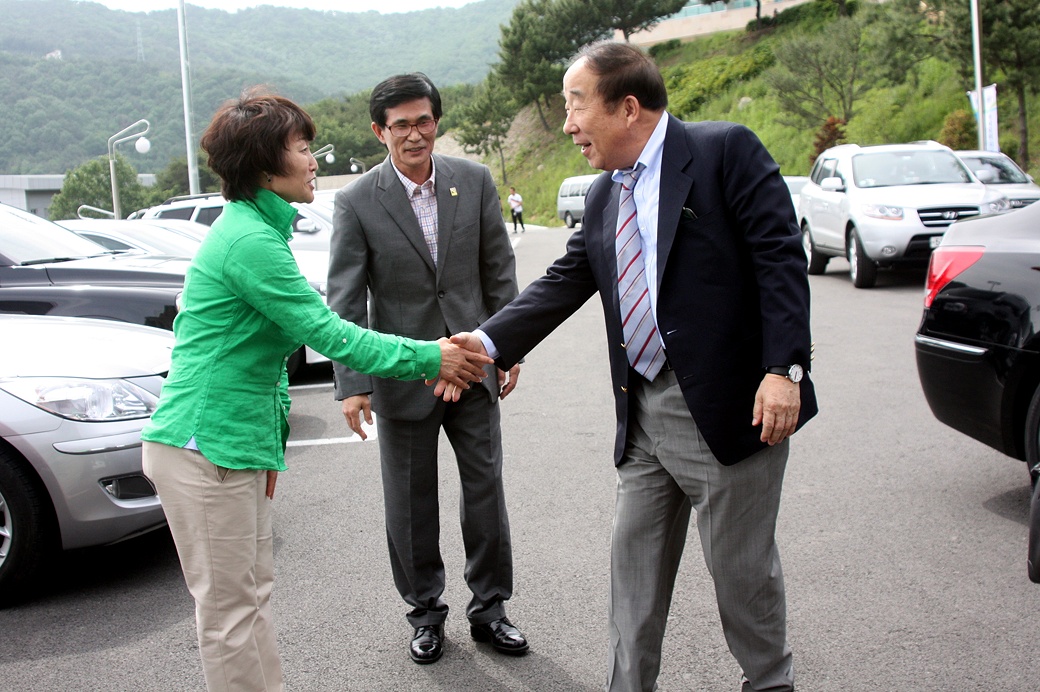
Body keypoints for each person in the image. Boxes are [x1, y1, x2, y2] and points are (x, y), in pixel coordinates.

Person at [449, 41, 817, 691]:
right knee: (633, 579)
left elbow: (779, 258)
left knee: (741, 576)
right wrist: (483, 342)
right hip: (644, 414)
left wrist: (783, 370)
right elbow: (564, 281)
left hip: (732, 409)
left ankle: (769, 682)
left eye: (575, 105)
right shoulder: (604, 195)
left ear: (626, 107)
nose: (568, 124)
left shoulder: (723, 151)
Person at [140, 88, 492, 692]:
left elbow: (259, 355)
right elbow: (331, 333)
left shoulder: (256, 230)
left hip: (231, 446)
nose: (313, 161)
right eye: (302, 149)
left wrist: (265, 446)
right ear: (264, 165)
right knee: (230, 616)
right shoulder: (250, 242)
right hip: (203, 445)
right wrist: (431, 355)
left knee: (249, 599)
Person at [327, 72, 528, 666]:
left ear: (436, 121)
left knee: (485, 493)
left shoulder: (475, 180)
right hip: (403, 375)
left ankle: (490, 608)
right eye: (400, 126)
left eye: (423, 121)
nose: (414, 135)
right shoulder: (356, 200)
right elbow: (345, 300)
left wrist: (509, 347)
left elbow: (498, 271)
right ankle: (424, 613)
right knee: (410, 503)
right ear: (379, 131)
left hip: (472, 367)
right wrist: (353, 383)